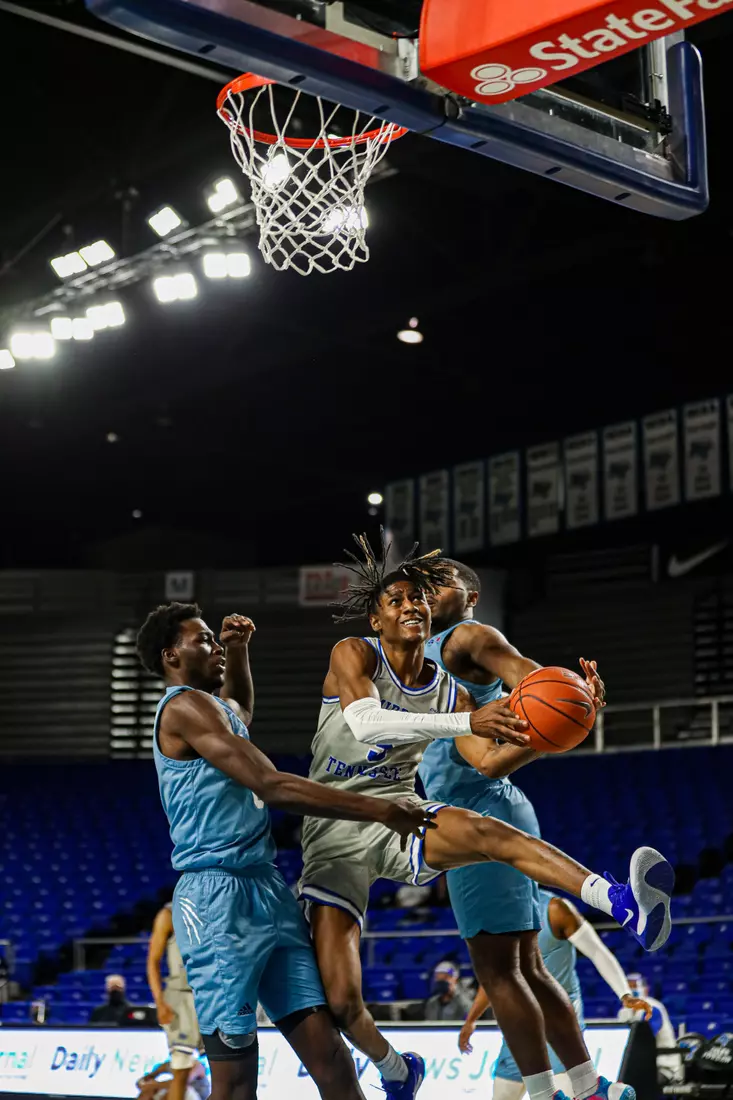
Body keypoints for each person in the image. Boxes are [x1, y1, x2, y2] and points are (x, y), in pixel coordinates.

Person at [298, 533, 674, 1100]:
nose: (414, 603)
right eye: (399, 598)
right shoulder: (355, 653)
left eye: (420, 596)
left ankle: (618, 902)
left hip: (403, 811)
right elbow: (367, 724)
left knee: (492, 854)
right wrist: (471, 722)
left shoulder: (454, 679)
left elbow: (492, 753)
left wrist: (569, 713)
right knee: (345, 1000)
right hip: (335, 826)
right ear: (376, 618)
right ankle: (400, 1071)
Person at [136, 602, 435, 1100]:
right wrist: (380, 809)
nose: (214, 646)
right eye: (203, 640)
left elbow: (239, 711)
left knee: (334, 1062)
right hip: (217, 901)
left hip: (267, 890)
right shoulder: (182, 707)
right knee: (235, 1085)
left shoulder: (213, 711)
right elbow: (271, 785)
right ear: (171, 656)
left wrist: (238, 651)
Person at [418, 558, 643, 1100]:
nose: (429, 590)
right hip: (493, 802)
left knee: (500, 974)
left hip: (473, 818)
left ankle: (552, 1093)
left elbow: (527, 675)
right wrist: (570, 712)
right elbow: (490, 759)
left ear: (471, 596)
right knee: (528, 970)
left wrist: (569, 700)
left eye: (443, 580)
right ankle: (589, 1088)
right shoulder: (433, 662)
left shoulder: (466, 637)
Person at [459, 890, 654, 1100]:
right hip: (520, 1022)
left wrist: (625, 993)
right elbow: (495, 980)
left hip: (559, 1020)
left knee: (566, 1091)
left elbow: (597, 951)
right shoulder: (497, 919)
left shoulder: (555, 909)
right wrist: (471, 1020)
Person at [147, 900, 202, 1100]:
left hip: (212, 995)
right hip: (181, 996)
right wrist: (160, 1002)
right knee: (181, 1068)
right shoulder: (169, 914)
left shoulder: (220, 907)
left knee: (224, 1066)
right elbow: (153, 961)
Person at [618, 973, 683, 1085]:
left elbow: (645, 1040)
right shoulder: (623, 1012)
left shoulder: (652, 1008)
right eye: (628, 987)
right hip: (638, 1065)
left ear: (645, 990)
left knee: (635, 1082)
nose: (631, 991)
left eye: (635, 986)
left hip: (663, 1065)